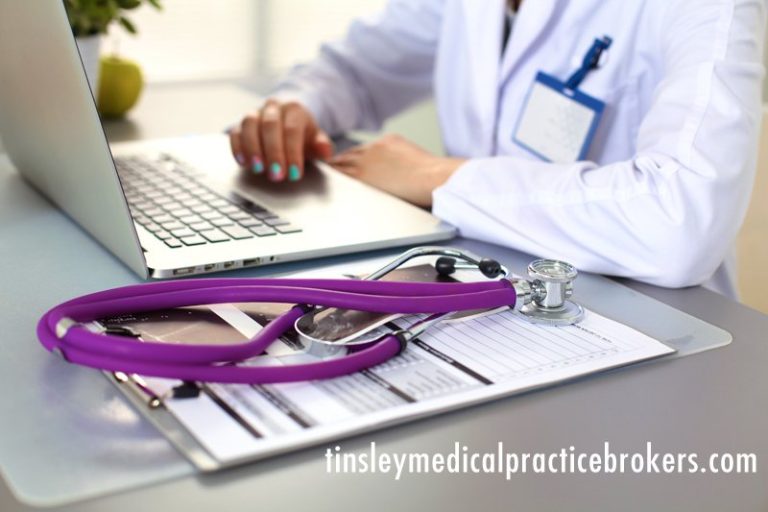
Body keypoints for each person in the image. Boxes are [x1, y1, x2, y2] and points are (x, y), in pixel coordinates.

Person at [228, 0, 766, 296]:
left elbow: (680, 221)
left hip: (648, 321)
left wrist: (442, 178)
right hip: (483, 293)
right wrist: (299, 106)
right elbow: (358, 67)